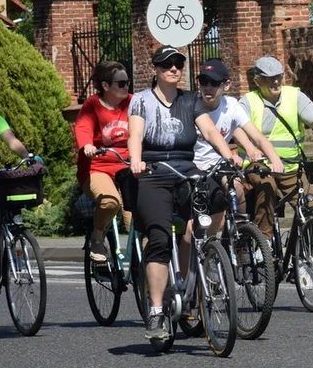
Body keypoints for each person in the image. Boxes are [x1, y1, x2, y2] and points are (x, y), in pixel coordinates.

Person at [128, 45, 243, 342]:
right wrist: (136, 160)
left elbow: (210, 132)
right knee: (159, 238)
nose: (173, 69)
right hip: (153, 174)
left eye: (178, 64)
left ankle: (204, 256)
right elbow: (135, 136)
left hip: (185, 171)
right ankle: (155, 312)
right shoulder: (141, 101)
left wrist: (226, 153)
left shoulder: (191, 100)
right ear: (155, 68)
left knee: (216, 198)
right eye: (167, 64)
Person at [240, 56, 313, 241]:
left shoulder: (295, 96)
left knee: (310, 207)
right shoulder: (248, 102)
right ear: (257, 81)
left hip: (291, 166)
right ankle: (265, 243)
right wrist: (251, 152)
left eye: (278, 76)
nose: (275, 81)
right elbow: (238, 130)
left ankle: (304, 255)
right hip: (260, 166)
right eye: (269, 78)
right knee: (267, 188)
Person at [191, 58, 284, 236]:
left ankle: (240, 235)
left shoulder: (231, 106)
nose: (207, 87)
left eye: (214, 82)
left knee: (237, 189)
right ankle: (206, 243)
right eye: (203, 82)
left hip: (218, 164)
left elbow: (258, 137)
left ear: (226, 85)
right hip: (194, 165)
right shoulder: (191, 105)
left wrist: (275, 162)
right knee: (209, 205)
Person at [75, 61, 132, 263]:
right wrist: (87, 146)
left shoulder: (133, 103)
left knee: (139, 219)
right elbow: (83, 128)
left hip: (128, 167)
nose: (127, 86)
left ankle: (145, 272)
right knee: (110, 202)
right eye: (121, 83)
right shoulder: (92, 105)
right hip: (97, 166)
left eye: (128, 82)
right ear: (106, 86)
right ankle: (97, 237)